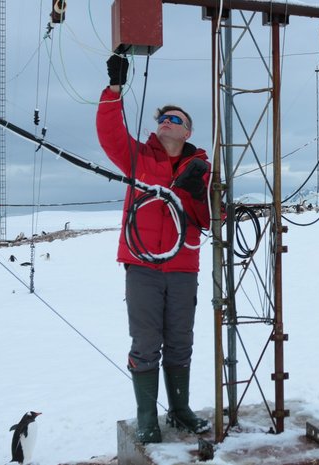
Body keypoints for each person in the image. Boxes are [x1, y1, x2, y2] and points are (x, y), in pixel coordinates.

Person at [96, 53, 212, 444]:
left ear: (188, 131)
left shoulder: (201, 168)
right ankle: (147, 417)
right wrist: (114, 90)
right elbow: (111, 134)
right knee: (145, 343)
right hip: (142, 265)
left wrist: (198, 193)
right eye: (163, 117)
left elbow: (213, 217)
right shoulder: (139, 158)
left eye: (176, 119)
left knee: (180, 341)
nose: (167, 121)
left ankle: (180, 410)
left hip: (183, 267)